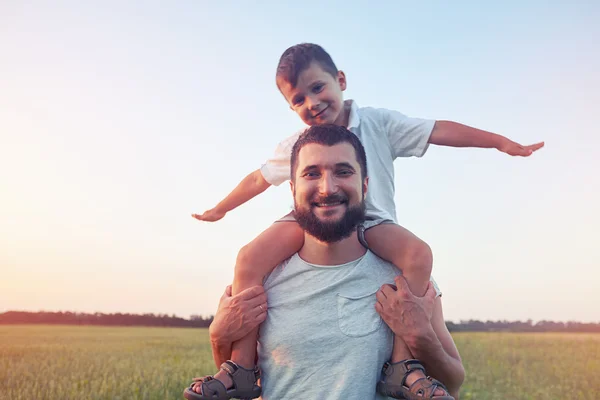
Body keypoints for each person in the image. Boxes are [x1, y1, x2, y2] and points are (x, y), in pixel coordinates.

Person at [190, 43, 543, 398]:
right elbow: (257, 179)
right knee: (248, 258)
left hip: (374, 222)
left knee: (418, 255)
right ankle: (240, 369)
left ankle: (404, 367)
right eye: (298, 100)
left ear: (340, 80)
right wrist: (221, 209)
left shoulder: (377, 123)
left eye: (318, 88)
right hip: (304, 222)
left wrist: (498, 142)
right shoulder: (298, 145)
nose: (311, 103)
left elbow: (437, 131)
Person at [185, 125, 465, 399]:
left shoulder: (404, 281)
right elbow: (242, 387)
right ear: (292, 189)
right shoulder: (261, 278)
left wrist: (420, 335)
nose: (327, 188)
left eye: (343, 172)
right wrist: (218, 338)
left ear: (365, 185)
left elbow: (452, 384)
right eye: (312, 173)